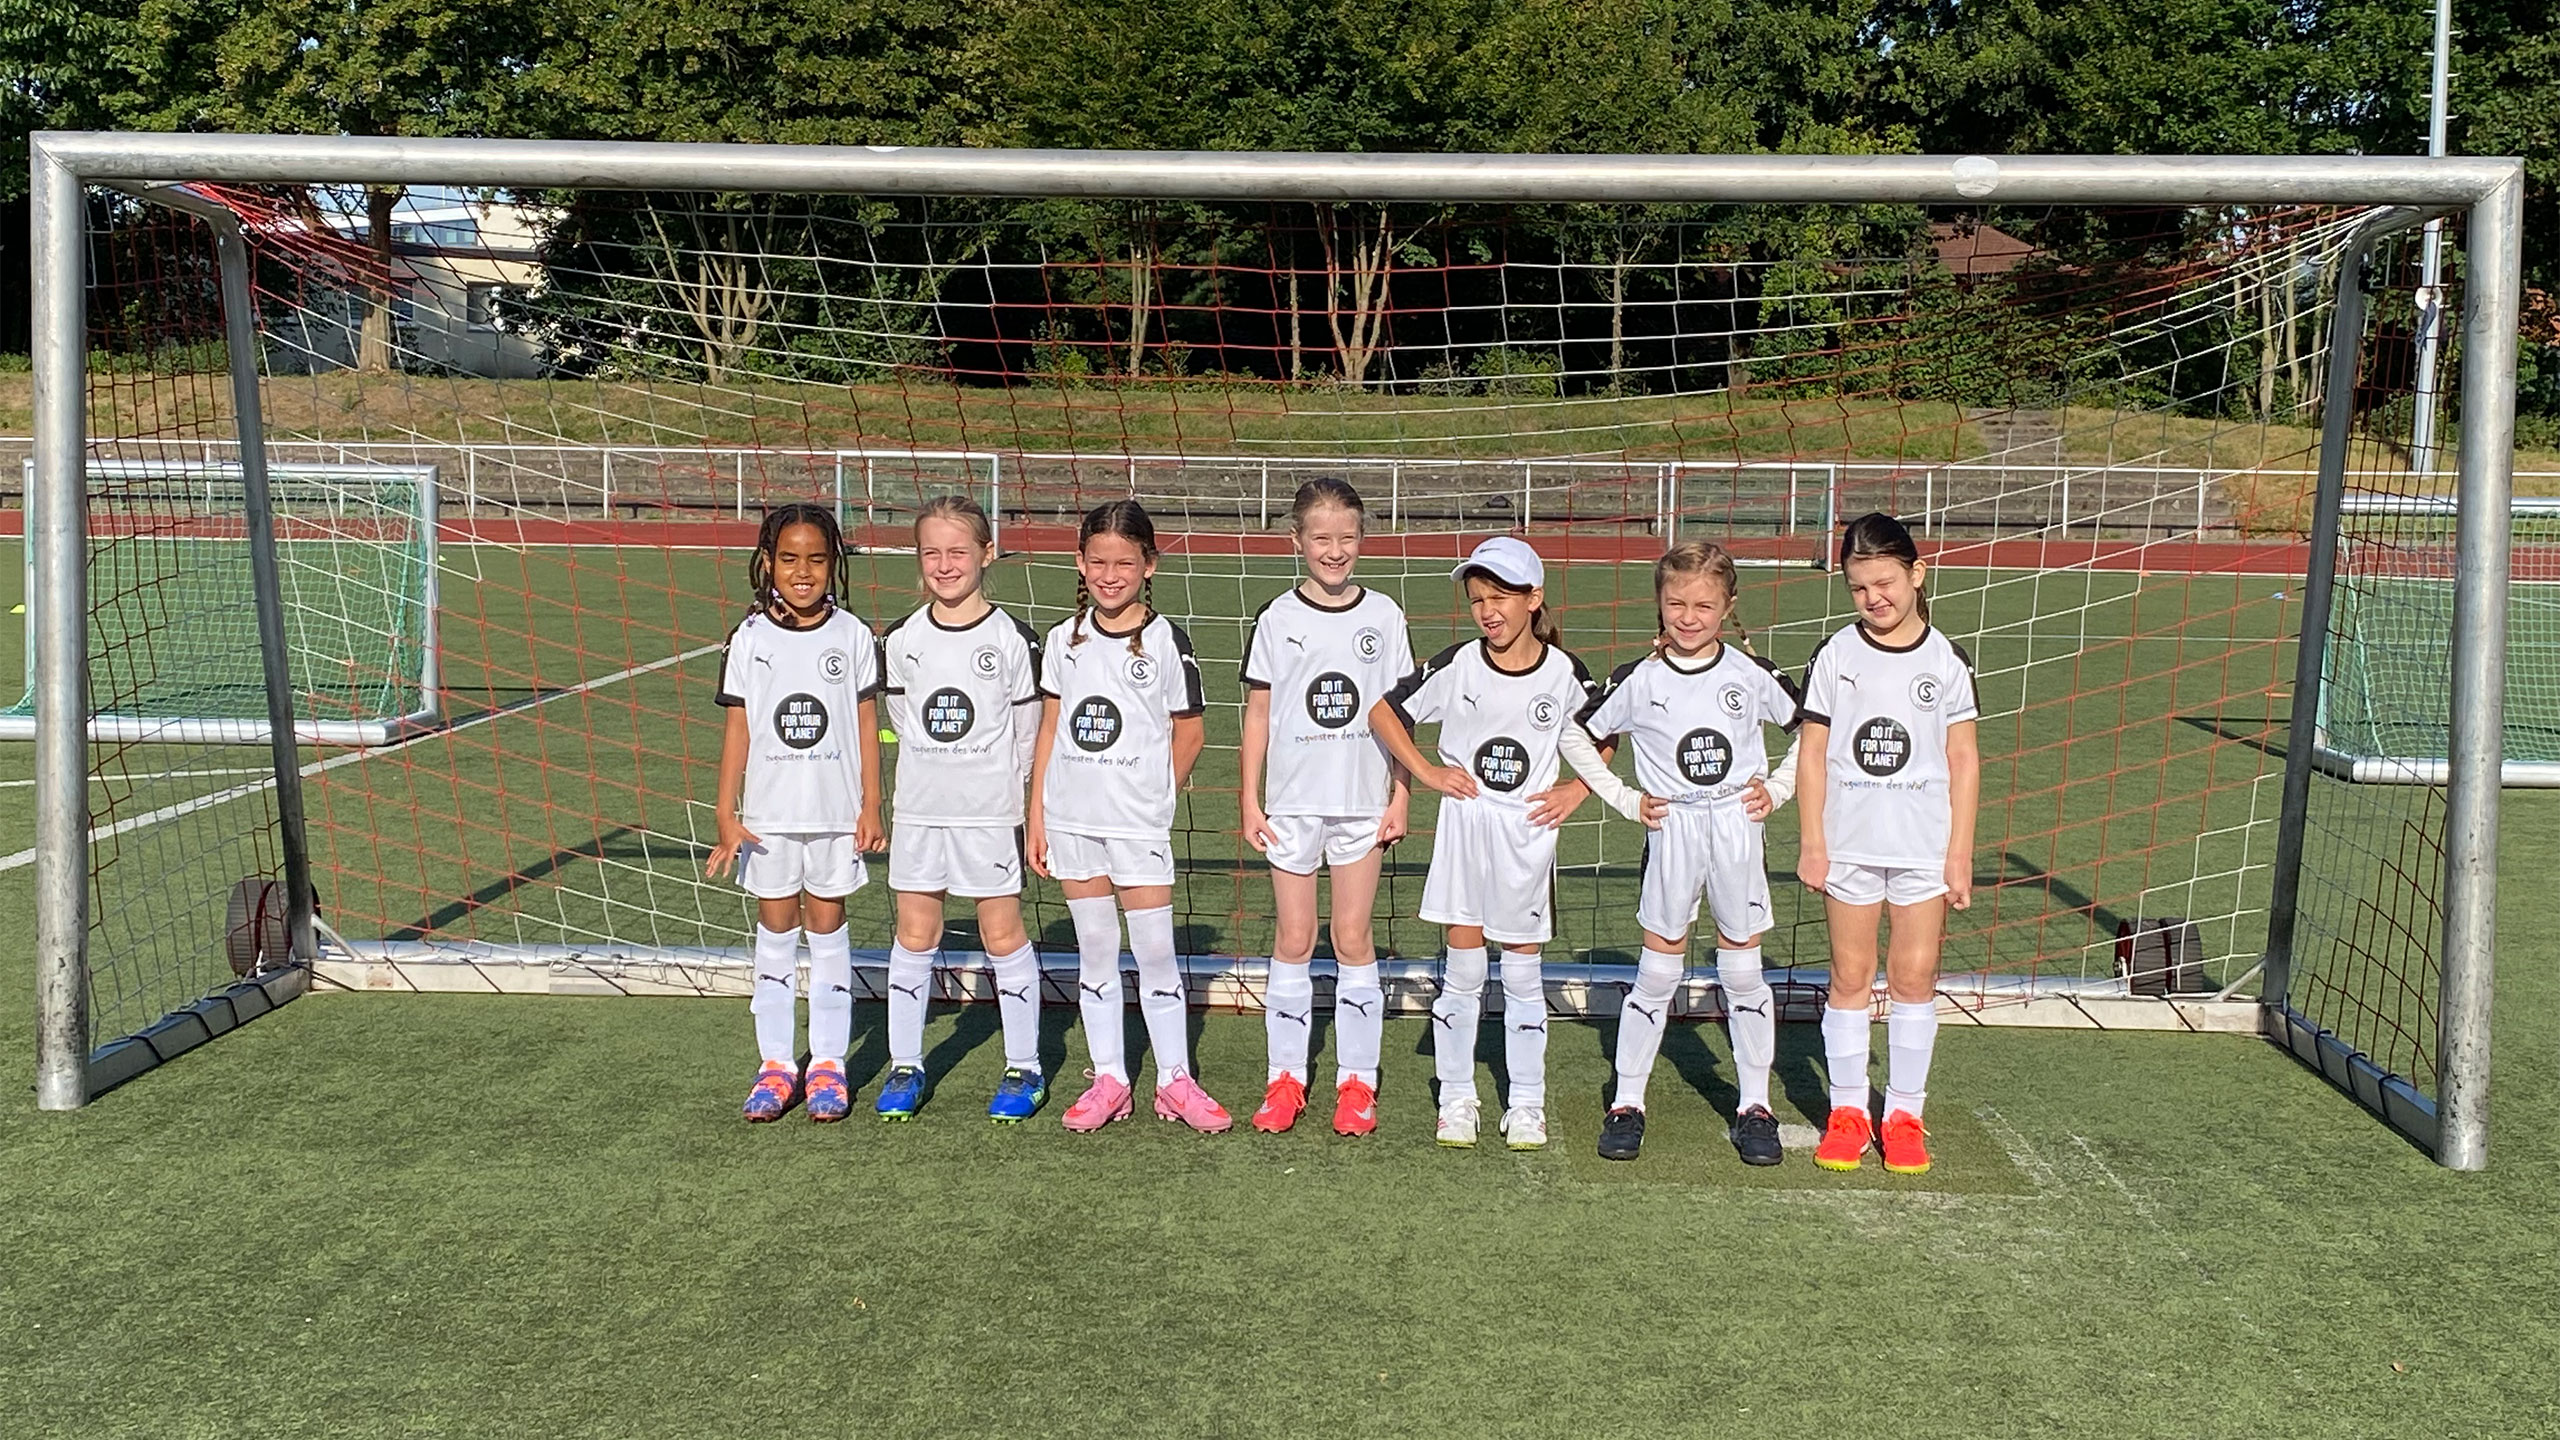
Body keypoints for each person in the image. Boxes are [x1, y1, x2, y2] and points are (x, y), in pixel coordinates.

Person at [1561, 541, 1803, 1165]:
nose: (1689, 616)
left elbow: (1811, 730)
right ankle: (1628, 1102)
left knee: (1743, 970)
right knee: (1658, 970)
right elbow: (1576, 734)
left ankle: (1755, 1106)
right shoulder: (1639, 680)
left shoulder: (1751, 675)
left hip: (1735, 827)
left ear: (1728, 605)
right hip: (1673, 830)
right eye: (1676, 603)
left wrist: (1778, 787)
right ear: (1660, 604)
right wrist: (1622, 797)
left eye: (1703, 604)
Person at [1370, 536, 1599, 1151]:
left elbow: (1605, 730)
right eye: (1477, 599)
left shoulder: (1564, 672)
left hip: (1526, 835)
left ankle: (1526, 1102)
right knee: (1463, 973)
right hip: (1466, 829)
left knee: (1523, 977)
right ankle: (1457, 1099)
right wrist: (1427, 773)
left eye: (1500, 597)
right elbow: (1385, 714)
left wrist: (1578, 792)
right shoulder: (1459, 665)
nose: (1487, 611)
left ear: (1534, 599)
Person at [1027, 500, 1228, 1133]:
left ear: (1149, 565)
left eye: (1125, 562)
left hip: (1137, 826)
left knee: (1155, 953)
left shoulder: (1168, 642)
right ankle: (1110, 1075)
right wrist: (1038, 813)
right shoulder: (1063, 640)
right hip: (1072, 820)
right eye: (1099, 561)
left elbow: (1190, 733)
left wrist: (1153, 799)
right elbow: (1050, 727)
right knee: (1094, 951)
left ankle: (1175, 1079)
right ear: (1080, 564)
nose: (1111, 574)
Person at [1797, 512, 1981, 1176]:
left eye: (1884, 583)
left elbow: (1963, 760)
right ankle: (1847, 1110)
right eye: (1858, 588)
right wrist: (1812, 841)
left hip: (1922, 848)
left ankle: (1904, 1113)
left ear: (1916, 574)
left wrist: (1958, 853)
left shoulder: (1946, 661)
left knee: (1912, 977)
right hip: (1848, 844)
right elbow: (1812, 754)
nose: (1874, 598)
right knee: (1849, 976)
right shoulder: (1836, 655)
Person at [1238, 478, 1413, 1137]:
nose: (1335, 551)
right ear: (1297, 541)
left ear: (1362, 540)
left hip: (1362, 803)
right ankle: (1285, 1078)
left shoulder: (1385, 616)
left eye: (1347, 538)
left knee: (1352, 937)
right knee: (1292, 937)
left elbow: (1400, 715)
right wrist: (1249, 797)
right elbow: (1258, 713)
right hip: (1290, 804)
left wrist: (1400, 792)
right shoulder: (1277, 618)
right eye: (1321, 539)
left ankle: (1356, 1083)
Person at [705, 503, 886, 1123]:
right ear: (767, 563)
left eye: (815, 558)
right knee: (777, 934)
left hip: (835, 816)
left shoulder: (853, 635)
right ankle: (777, 1064)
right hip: (768, 818)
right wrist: (726, 812)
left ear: (833, 564)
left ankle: (830, 1062)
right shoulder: (749, 639)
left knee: (829, 932)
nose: (802, 571)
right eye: (789, 558)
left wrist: (871, 804)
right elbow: (738, 731)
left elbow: (867, 725)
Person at [875, 495, 1048, 1122]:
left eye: (958, 551)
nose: (945, 565)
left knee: (1003, 936)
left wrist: (1021, 807)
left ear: (986, 553)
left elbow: (1028, 737)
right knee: (914, 935)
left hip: (989, 814)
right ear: (918, 561)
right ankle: (905, 1065)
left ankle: (1025, 1066)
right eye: (931, 553)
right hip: (921, 812)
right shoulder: (900, 639)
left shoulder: (1012, 639)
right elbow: (901, 719)